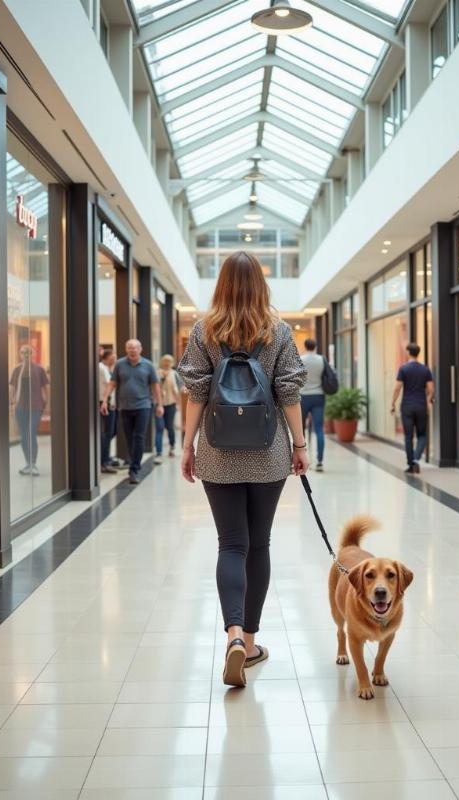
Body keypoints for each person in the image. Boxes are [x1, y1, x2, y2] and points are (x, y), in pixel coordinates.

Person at [178, 251, 308, 688]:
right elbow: (289, 391)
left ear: (221, 284)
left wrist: (187, 445)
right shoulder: (279, 331)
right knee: (260, 545)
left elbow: (195, 392)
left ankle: (232, 634)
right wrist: (301, 444)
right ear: (261, 285)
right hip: (268, 450)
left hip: (217, 450)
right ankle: (250, 642)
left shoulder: (204, 330)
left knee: (231, 544)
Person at [100, 339, 163, 484]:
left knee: (139, 437)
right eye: (129, 348)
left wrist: (159, 405)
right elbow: (112, 383)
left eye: (135, 348)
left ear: (140, 349)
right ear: (126, 349)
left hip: (143, 406)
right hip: (125, 407)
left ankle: (134, 469)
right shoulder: (120, 364)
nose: (132, 350)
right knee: (129, 438)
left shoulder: (148, 365)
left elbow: (155, 386)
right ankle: (134, 461)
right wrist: (104, 400)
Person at [391, 343, 434, 474]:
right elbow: (431, 390)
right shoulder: (425, 370)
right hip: (421, 406)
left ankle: (411, 464)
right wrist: (427, 401)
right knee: (422, 435)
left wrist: (392, 403)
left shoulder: (403, 369)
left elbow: (398, 388)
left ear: (409, 352)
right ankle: (416, 458)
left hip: (407, 407)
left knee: (408, 436)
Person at [9, 344, 49, 476]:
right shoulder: (17, 370)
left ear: (33, 354)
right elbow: (13, 387)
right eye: (23, 352)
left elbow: (46, 387)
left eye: (29, 352)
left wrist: (46, 403)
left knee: (31, 434)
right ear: (20, 354)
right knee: (24, 436)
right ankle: (28, 463)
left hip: (36, 407)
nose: (26, 355)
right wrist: (11, 402)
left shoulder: (39, 370)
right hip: (20, 407)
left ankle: (33, 463)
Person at [300, 338, 326, 472]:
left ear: (305, 346)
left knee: (301, 429)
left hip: (303, 396)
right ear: (315, 346)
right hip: (318, 396)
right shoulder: (321, 359)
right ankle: (320, 461)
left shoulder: (301, 360)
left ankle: (303, 459)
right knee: (319, 429)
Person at [154, 354, 180, 465]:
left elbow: (178, 389)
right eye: (165, 361)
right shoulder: (157, 373)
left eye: (169, 362)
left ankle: (172, 447)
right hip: (158, 405)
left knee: (170, 427)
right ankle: (159, 453)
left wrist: (178, 404)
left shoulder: (174, 374)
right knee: (159, 428)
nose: (167, 363)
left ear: (172, 363)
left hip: (171, 404)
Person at [99, 348, 118, 474]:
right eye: (113, 356)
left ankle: (106, 457)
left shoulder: (107, 368)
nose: (115, 358)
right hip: (106, 403)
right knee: (108, 432)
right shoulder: (102, 368)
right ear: (108, 357)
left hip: (110, 403)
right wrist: (108, 402)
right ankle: (104, 461)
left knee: (112, 431)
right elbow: (109, 385)